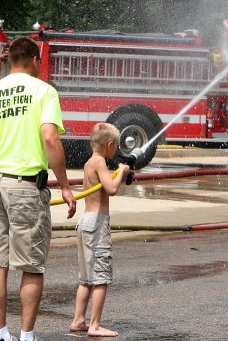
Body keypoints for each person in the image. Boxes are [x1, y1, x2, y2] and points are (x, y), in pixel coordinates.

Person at [0, 36, 76, 341]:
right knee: (31, 264)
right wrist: (65, 186)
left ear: (9, 61)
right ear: (34, 60)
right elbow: (50, 138)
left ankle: (0, 333)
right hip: (25, 187)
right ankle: (27, 336)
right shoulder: (44, 91)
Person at [70, 122, 130, 338]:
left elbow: (103, 185)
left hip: (85, 221)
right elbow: (111, 189)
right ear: (110, 145)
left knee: (86, 278)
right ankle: (95, 325)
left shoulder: (89, 162)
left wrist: (118, 174)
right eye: (115, 147)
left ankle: (78, 320)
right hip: (97, 223)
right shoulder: (101, 162)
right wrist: (122, 171)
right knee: (101, 278)